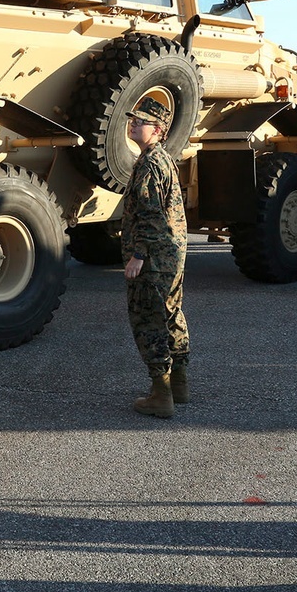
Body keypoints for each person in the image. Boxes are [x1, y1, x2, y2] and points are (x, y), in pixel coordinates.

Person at [121, 96, 190, 419]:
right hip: (171, 253)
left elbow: (149, 216)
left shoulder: (149, 164)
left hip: (154, 256)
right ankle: (179, 384)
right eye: (133, 119)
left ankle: (161, 395)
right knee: (171, 312)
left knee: (148, 319)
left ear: (158, 130)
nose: (133, 124)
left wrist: (138, 256)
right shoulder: (162, 158)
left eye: (141, 121)